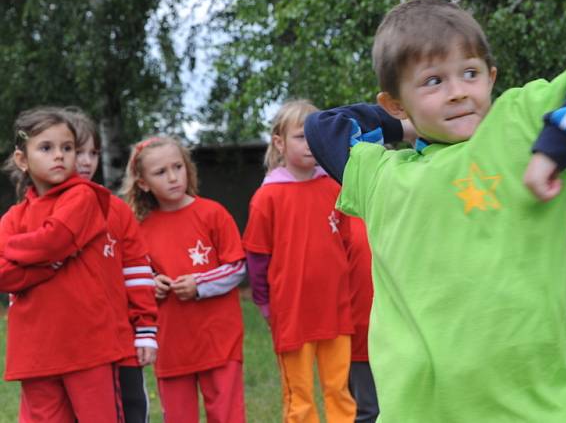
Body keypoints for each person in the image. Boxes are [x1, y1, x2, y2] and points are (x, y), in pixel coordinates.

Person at [304, 0, 566, 421]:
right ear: (394, 103)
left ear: (491, 78)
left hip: (552, 407)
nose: (458, 92)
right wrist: (407, 121)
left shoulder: (518, 127)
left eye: (470, 73)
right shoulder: (381, 175)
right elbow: (323, 127)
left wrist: (552, 150)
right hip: (427, 413)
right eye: (433, 81)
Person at [0, 107, 131, 422]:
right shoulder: (13, 218)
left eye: (67, 148)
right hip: (35, 352)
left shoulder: (82, 197)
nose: (59, 156)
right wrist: (46, 267)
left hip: (88, 346)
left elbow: (53, 240)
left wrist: (14, 251)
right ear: (22, 159)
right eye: (46, 148)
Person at [243, 99, 356, 423]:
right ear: (279, 142)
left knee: (340, 393)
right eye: (301, 137)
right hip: (292, 315)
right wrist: (267, 306)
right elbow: (258, 260)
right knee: (300, 400)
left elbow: (347, 246)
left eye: (316, 136)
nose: (310, 145)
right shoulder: (267, 197)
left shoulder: (336, 186)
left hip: (335, 310)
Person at [122, 136, 247, 423]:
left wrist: (199, 285)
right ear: (143, 183)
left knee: (227, 415)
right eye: (160, 172)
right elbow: (133, 276)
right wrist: (152, 284)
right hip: (171, 344)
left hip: (219, 341)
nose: (173, 177)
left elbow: (237, 267)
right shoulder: (139, 228)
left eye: (177, 167)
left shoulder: (212, 213)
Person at [64, 107, 159, 423]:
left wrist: (145, 330)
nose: (86, 161)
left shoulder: (116, 211)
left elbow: (137, 271)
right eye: (77, 152)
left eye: (93, 152)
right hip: (66, 348)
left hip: (120, 344)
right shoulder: (35, 213)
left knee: (131, 411)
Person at [346, 216, 380, 423]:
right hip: (359, 337)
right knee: (368, 410)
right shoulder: (345, 223)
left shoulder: (394, 215)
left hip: (399, 335)